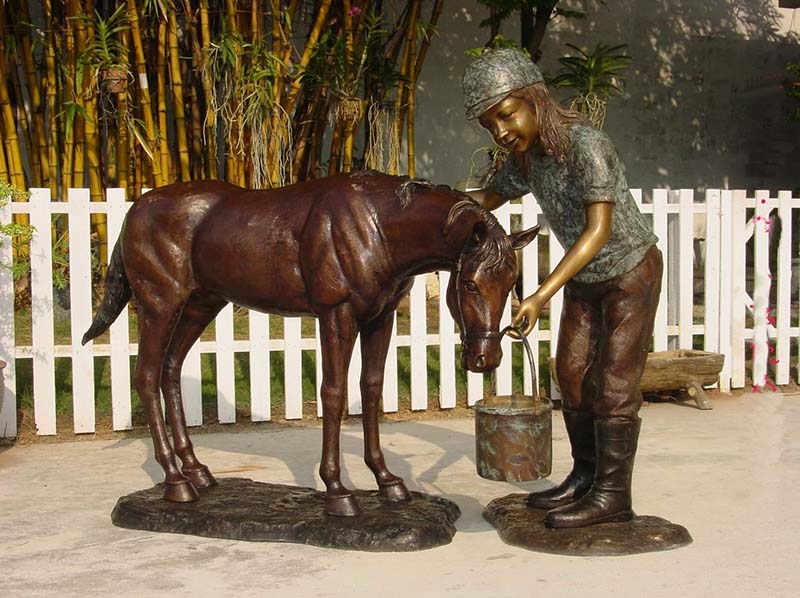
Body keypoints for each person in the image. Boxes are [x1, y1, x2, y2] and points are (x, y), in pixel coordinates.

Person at [462, 48, 662, 529]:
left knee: (613, 384)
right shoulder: (525, 159)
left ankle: (614, 495)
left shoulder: (587, 145)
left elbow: (597, 232)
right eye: (490, 125)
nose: (501, 132)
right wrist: (426, 199)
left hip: (629, 272)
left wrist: (539, 295)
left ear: (534, 99)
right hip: (584, 278)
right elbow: (485, 198)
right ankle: (585, 477)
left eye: (506, 115)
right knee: (570, 373)